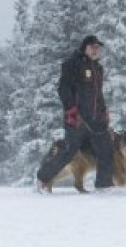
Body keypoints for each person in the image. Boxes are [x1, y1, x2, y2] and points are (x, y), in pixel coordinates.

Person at [36, 35, 115, 193]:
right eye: (92, 47)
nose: (95, 50)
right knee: (69, 151)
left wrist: (104, 112)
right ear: (84, 47)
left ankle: (103, 186)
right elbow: (63, 89)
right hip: (77, 118)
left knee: (106, 148)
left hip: (96, 119)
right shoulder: (72, 63)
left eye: (97, 47)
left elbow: (98, 94)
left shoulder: (98, 68)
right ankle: (42, 179)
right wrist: (71, 110)